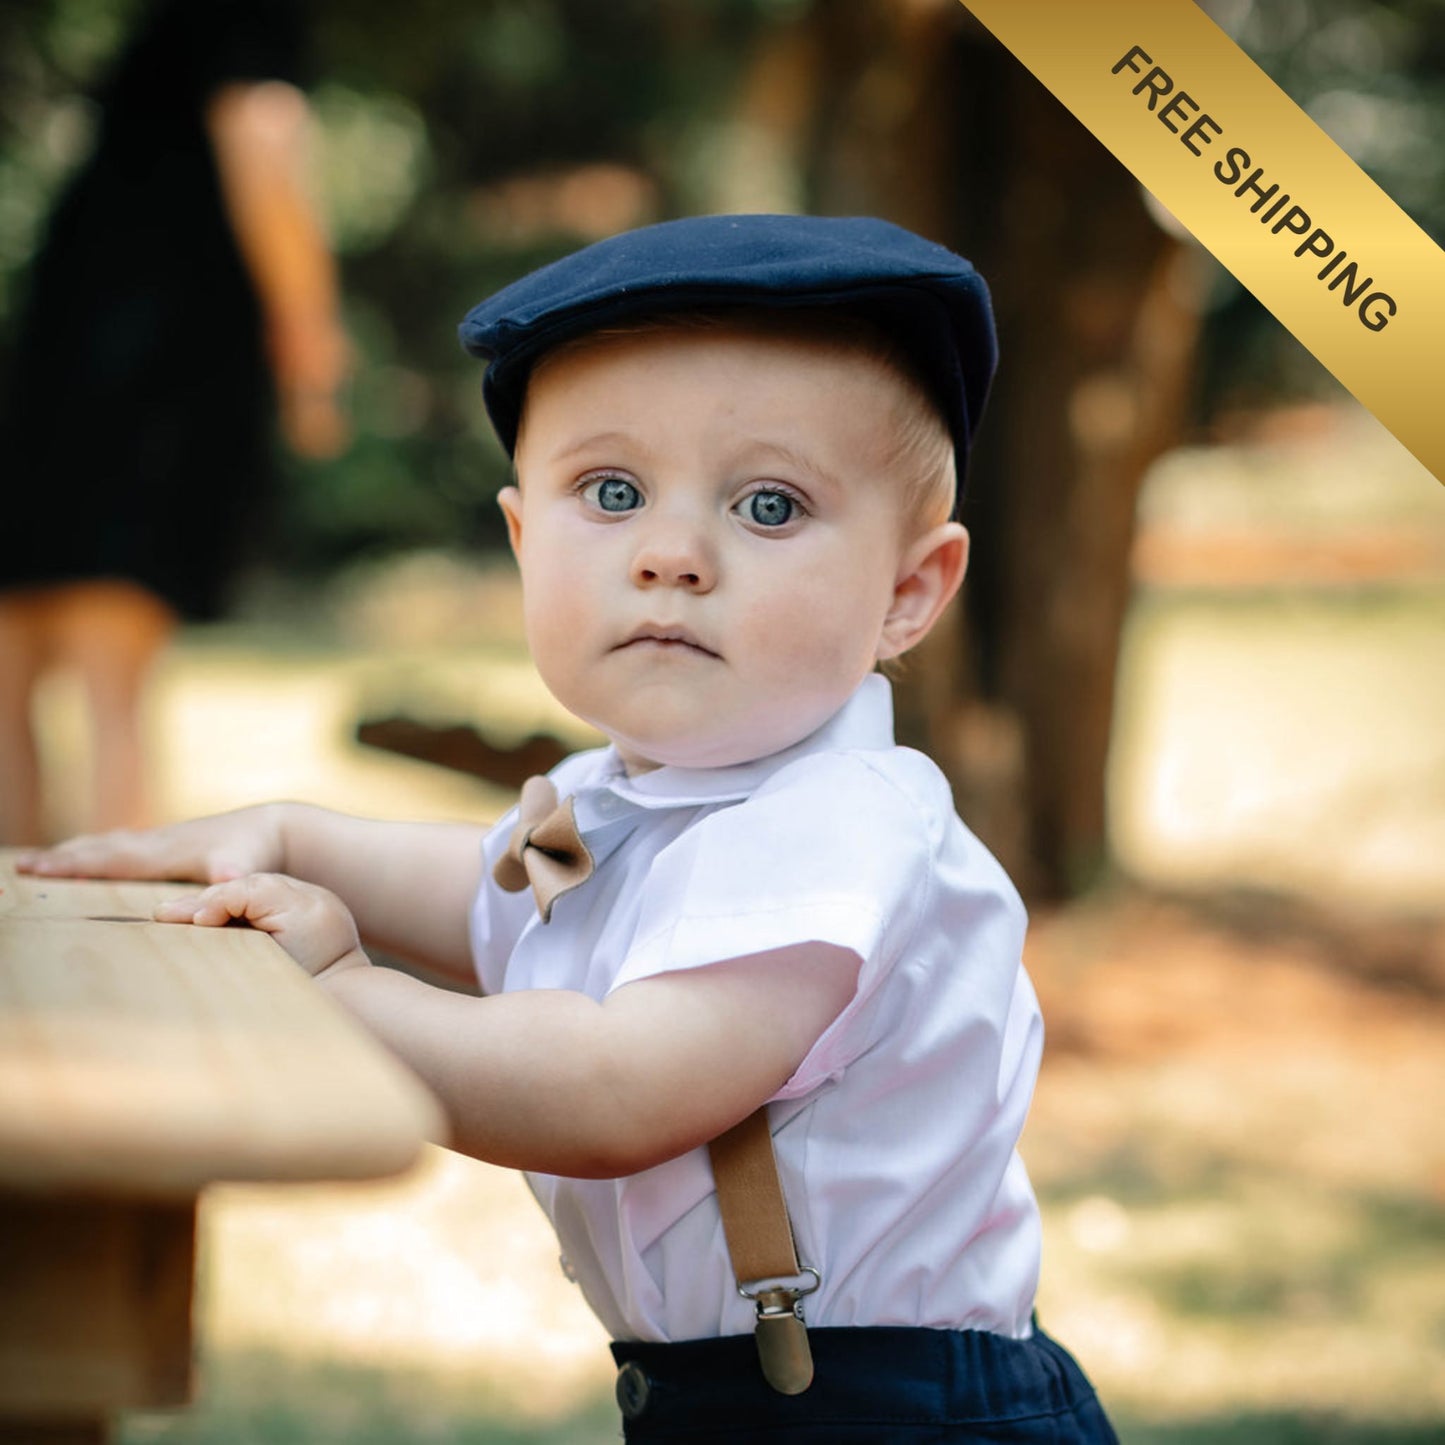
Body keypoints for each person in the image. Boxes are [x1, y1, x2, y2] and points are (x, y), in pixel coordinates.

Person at [18, 214, 1117, 1442]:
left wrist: (340, 988)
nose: (670, 554)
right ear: (523, 538)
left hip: (890, 1411)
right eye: (610, 492)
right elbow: (486, 896)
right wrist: (294, 836)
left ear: (907, 591)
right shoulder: (621, 794)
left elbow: (614, 1086)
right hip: (736, 1394)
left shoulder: (836, 825)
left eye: (766, 504)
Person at [0, 0, 349, 845]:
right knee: (110, 666)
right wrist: (311, 338)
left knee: (18, 664)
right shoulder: (243, 26)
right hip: (154, 369)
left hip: (63, 359)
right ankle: (113, 930)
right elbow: (263, 136)